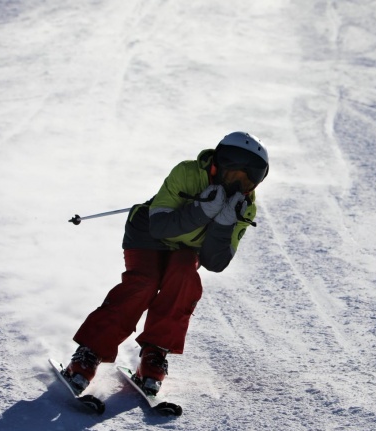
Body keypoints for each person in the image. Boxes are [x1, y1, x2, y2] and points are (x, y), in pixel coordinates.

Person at [62, 131, 269, 396]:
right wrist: (202, 211)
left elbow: (214, 262)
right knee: (144, 283)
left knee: (184, 279)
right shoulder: (188, 173)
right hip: (148, 232)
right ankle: (88, 353)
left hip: (187, 248)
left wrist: (224, 223)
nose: (237, 182)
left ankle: (154, 354)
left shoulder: (244, 208)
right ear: (217, 163)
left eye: (249, 176)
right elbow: (160, 227)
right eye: (232, 170)